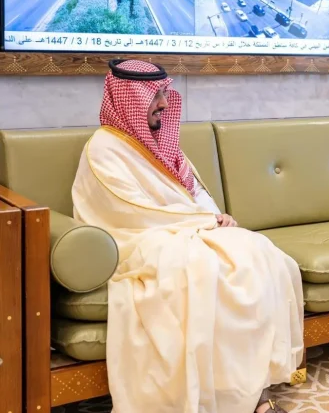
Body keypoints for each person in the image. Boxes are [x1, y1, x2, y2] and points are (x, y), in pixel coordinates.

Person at [71, 60, 304, 413]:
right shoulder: (104, 149)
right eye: (155, 96)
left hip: (185, 229)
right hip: (136, 240)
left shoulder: (161, 141)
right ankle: (216, 398)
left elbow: (192, 190)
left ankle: (250, 389)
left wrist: (217, 216)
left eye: (165, 93)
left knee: (259, 252)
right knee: (203, 270)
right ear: (129, 98)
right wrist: (204, 221)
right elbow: (129, 210)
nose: (164, 104)